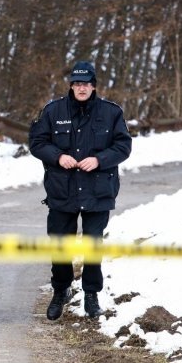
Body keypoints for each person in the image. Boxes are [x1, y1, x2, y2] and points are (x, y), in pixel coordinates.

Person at [29, 61, 132, 320]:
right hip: (62, 191)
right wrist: (57, 156)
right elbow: (37, 142)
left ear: (93, 86)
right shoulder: (53, 111)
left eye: (85, 84)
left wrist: (99, 160)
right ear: (71, 86)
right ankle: (60, 291)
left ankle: (91, 295)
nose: (81, 88)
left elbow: (123, 146)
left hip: (98, 191)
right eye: (76, 84)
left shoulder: (111, 113)